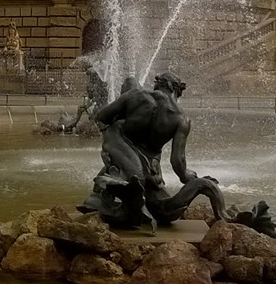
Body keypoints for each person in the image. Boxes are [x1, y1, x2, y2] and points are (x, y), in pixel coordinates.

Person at [80, 71, 229, 229]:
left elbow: (102, 116)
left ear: (160, 84)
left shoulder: (135, 95)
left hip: (122, 148)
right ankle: (215, 203)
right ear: (175, 90)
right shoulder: (181, 119)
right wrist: (186, 177)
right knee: (145, 186)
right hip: (141, 162)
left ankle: (106, 197)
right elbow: (178, 162)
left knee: (135, 175)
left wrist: (112, 136)